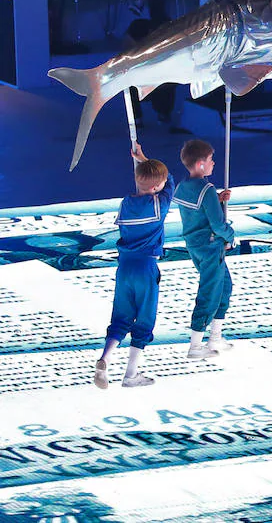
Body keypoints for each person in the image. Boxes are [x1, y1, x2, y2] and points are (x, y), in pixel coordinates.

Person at [94, 144, 171, 389]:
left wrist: (141, 165)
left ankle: (105, 358)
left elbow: (152, 182)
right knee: (145, 320)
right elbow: (170, 181)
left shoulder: (125, 204)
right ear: (156, 187)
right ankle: (131, 374)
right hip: (146, 268)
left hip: (124, 268)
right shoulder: (160, 206)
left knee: (121, 318)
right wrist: (143, 157)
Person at [173, 139, 234, 359]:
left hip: (195, 247)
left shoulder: (183, 187)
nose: (213, 163)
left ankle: (215, 336)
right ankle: (196, 345)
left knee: (225, 286)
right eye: (210, 160)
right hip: (211, 248)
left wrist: (216, 200)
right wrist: (231, 237)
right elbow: (218, 225)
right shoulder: (206, 189)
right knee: (209, 292)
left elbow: (197, 213)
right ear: (200, 164)